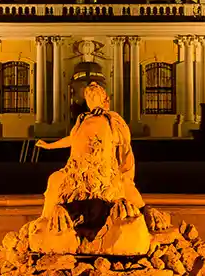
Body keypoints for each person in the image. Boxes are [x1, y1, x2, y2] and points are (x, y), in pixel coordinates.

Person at [35, 82, 144, 234]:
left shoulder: (112, 120)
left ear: (105, 100)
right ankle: (46, 218)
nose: (91, 101)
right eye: (89, 97)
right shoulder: (83, 118)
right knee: (54, 179)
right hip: (78, 172)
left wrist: (105, 115)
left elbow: (124, 144)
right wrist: (49, 146)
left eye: (95, 97)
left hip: (103, 172)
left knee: (125, 189)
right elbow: (72, 139)